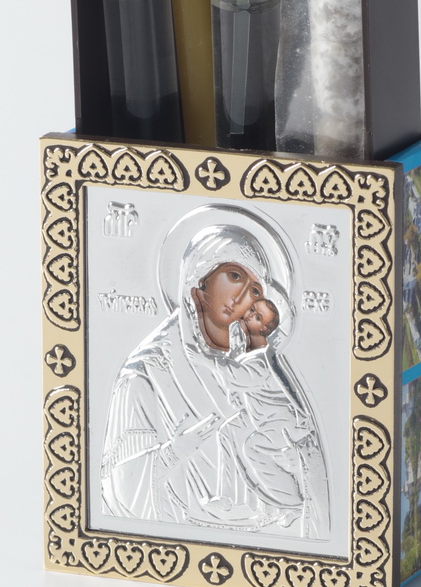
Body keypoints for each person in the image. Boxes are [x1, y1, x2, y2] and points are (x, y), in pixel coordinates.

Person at [100, 222, 330, 538]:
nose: (241, 296)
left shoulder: (258, 360)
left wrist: (293, 459)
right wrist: (175, 451)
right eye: (234, 276)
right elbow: (118, 485)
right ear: (201, 278)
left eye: (254, 290)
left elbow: (309, 452)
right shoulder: (145, 373)